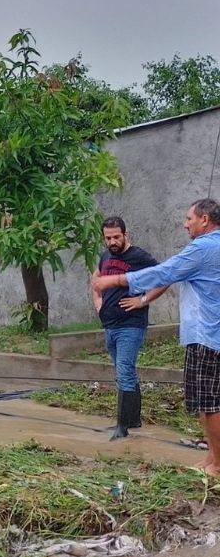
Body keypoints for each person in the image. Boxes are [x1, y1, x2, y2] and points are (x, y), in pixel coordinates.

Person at [92, 198, 220, 474]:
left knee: (210, 403)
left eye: (189, 219)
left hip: (205, 333)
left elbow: (165, 273)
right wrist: (100, 297)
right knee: (204, 401)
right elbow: (96, 279)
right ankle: (212, 457)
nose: (185, 224)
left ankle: (218, 464)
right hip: (201, 333)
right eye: (107, 237)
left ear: (205, 219)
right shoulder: (212, 247)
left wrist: (124, 288)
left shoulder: (203, 248)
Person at [91, 216, 170, 440]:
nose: (113, 241)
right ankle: (133, 419)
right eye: (108, 238)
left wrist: (142, 300)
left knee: (124, 370)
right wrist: (98, 302)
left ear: (126, 235)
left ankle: (121, 427)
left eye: (117, 237)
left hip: (131, 325)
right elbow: (96, 279)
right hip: (110, 324)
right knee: (123, 370)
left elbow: (165, 278)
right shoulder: (105, 256)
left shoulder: (140, 257)